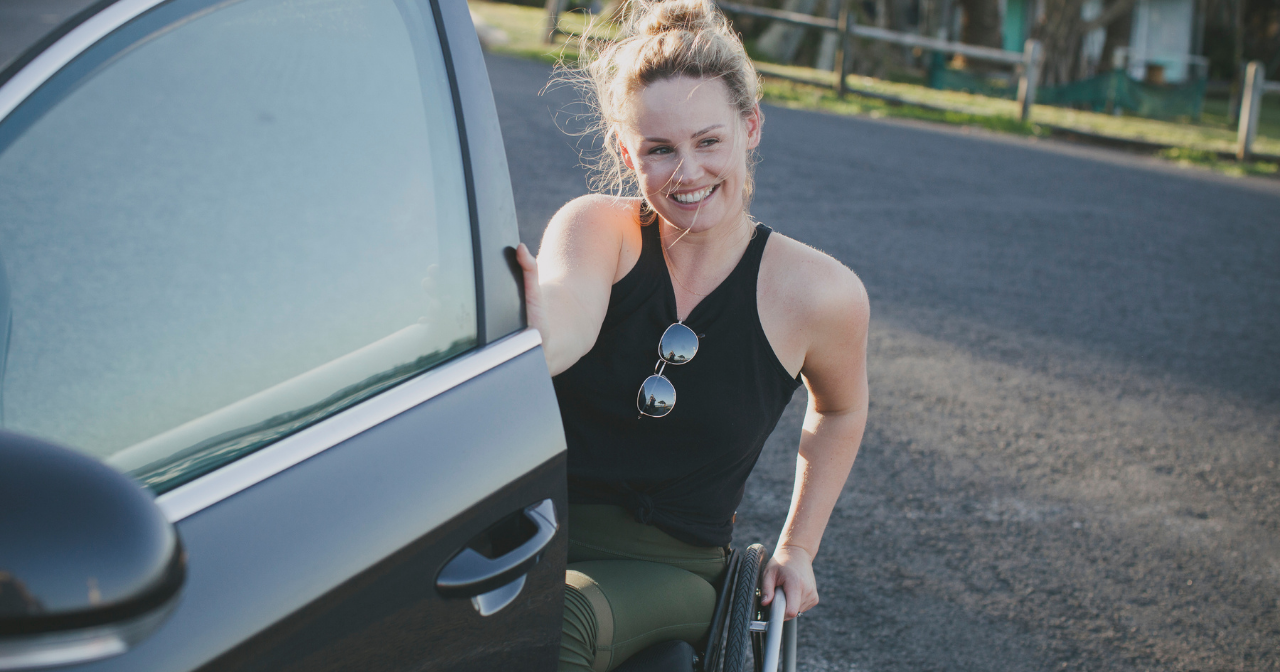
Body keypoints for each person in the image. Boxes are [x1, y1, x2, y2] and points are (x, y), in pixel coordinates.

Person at [514, 1, 869, 669]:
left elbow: (842, 408)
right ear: (628, 151)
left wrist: (799, 547)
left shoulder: (819, 292)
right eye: (660, 150)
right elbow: (564, 327)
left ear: (751, 127)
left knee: (561, 617)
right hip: (533, 531)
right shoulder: (597, 229)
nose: (687, 173)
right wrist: (533, 325)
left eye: (709, 142)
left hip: (675, 569)